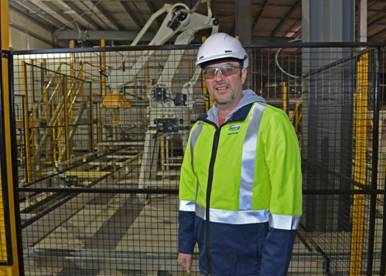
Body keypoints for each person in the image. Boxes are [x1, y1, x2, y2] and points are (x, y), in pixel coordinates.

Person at [177, 32, 302, 276]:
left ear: (243, 73)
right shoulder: (199, 130)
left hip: (251, 263)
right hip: (209, 259)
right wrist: (185, 246)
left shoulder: (271, 122)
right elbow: (188, 193)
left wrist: (273, 269)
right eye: (211, 71)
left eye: (228, 69)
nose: (219, 78)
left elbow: (286, 205)